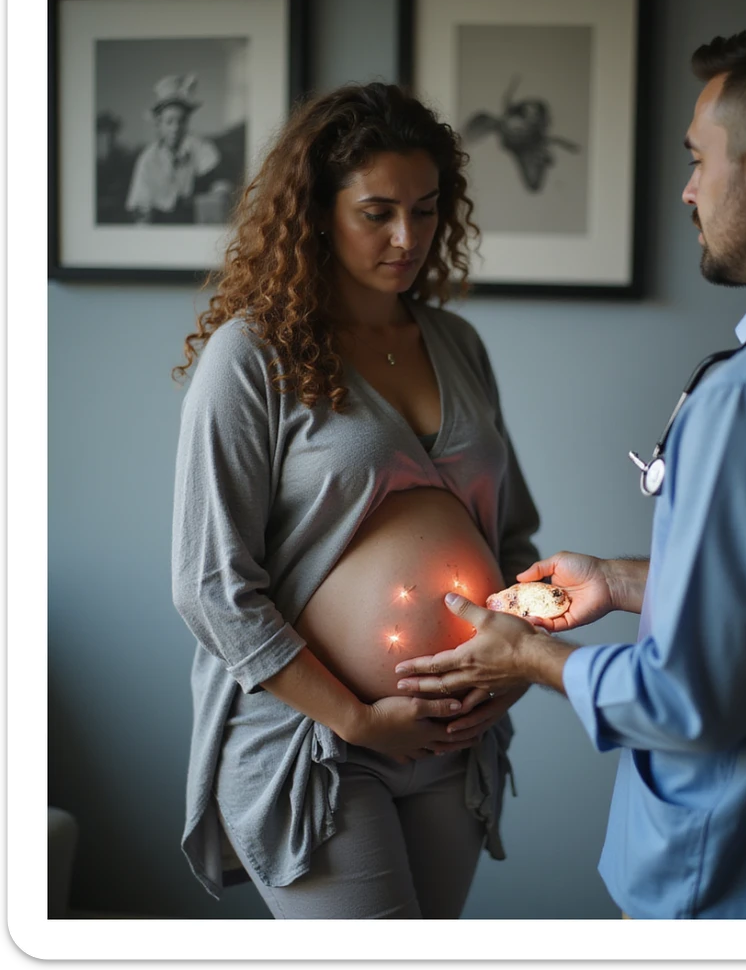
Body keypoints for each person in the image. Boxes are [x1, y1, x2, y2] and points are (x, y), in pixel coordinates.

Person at [394, 16, 746, 919]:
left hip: (740, 875)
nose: (686, 191)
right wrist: (620, 582)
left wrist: (534, 659)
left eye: (698, 159)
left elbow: (687, 697)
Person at [170, 82, 542, 919]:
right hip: (318, 743)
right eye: (377, 212)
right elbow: (210, 587)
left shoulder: (458, 344)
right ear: (315, 211)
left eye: (426, 208)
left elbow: (512, 539)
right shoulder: (251, 357)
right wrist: (361, 719)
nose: (407, 238)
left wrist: (513, 666)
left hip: (458, 737)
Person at [126, 73, 223, 223]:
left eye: (181, 121)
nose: (176, 128)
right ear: (159, 124)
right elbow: (140, 209)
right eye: (169, 122)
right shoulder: (149, 159)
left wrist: (219, 188)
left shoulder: (195, 146)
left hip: (190, 222)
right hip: (158, 224)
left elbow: (215, 174)